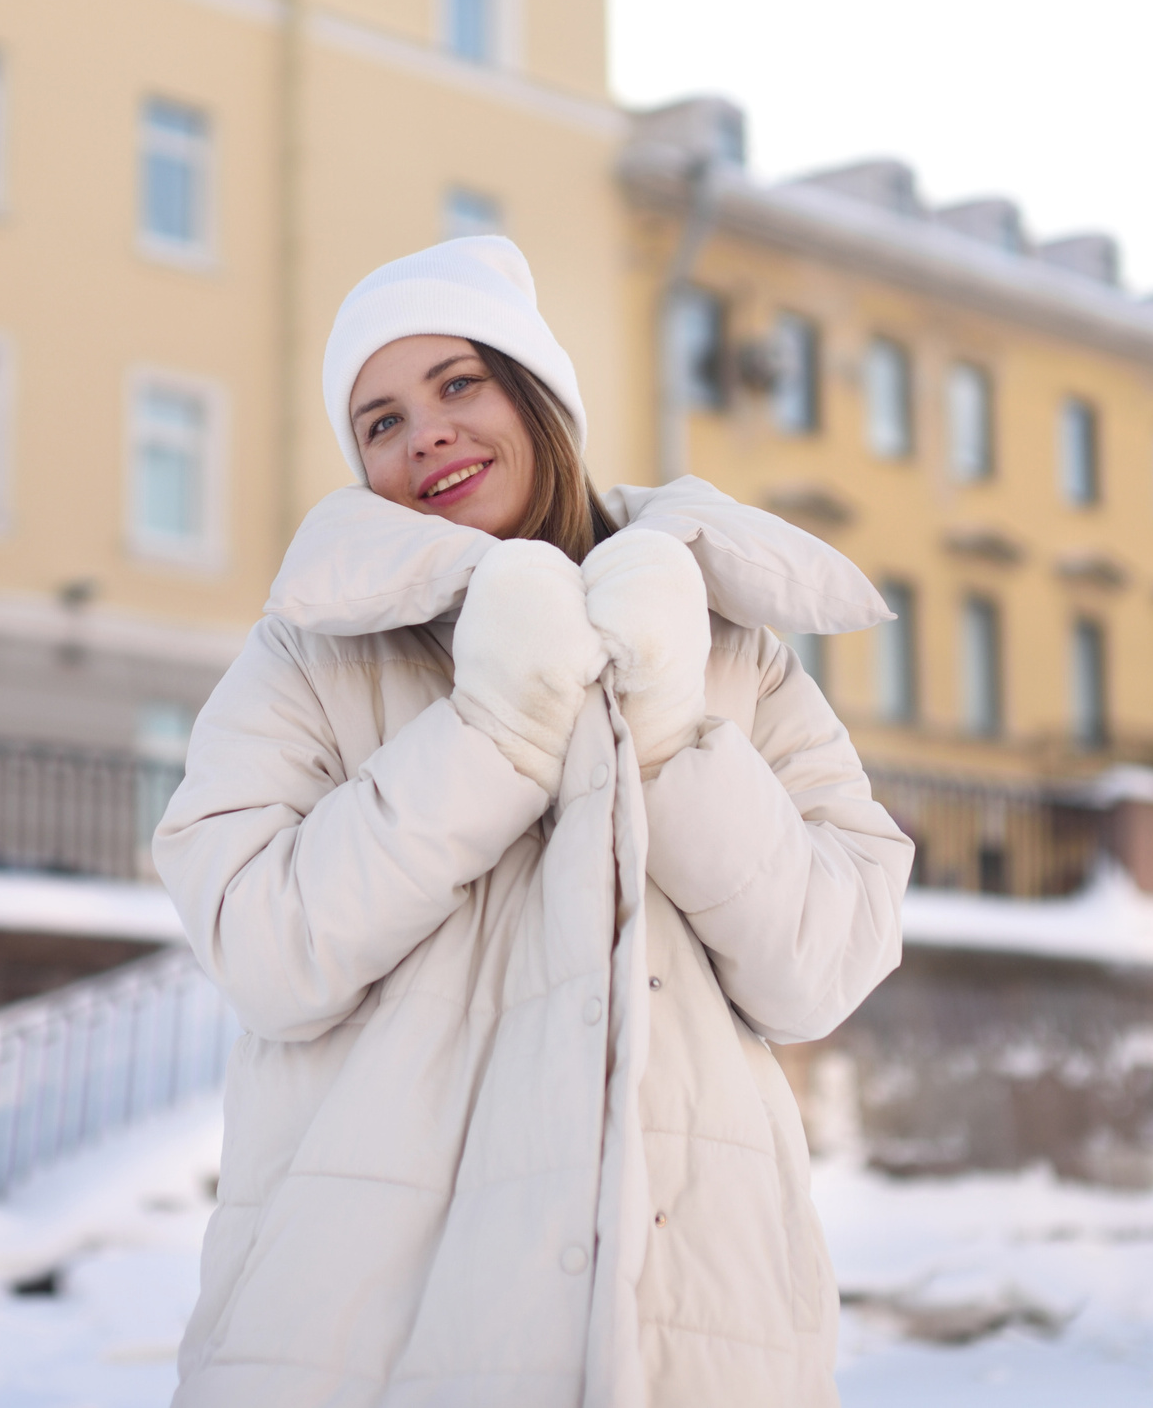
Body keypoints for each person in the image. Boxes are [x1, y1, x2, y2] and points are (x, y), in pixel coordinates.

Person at [154, 235, 914, 1407]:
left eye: (460, 383)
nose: (427, 436)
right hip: (366, 1336)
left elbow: (823, 962)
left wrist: (665, 727)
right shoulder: (305, 654)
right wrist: (495, 730)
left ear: (539, 396)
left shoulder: (722, 645)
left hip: (693, 1335)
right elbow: (264, 946)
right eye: (380, 420)